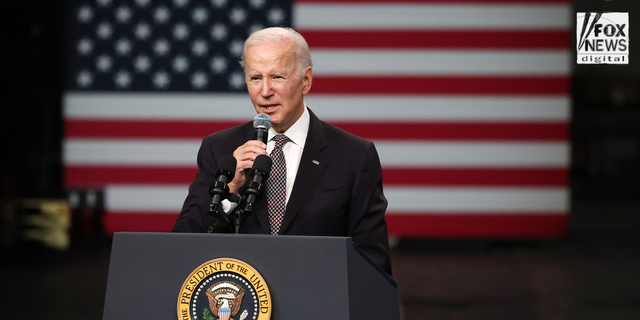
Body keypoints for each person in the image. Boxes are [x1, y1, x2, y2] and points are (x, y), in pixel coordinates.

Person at [172, 27, 392, 275]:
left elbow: (373, 262)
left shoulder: (354, 155)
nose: (265, 91)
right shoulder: (220, 149)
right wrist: (231, 188)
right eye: (255, 78)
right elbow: (182, 241)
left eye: (277, 77)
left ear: (306, 80)